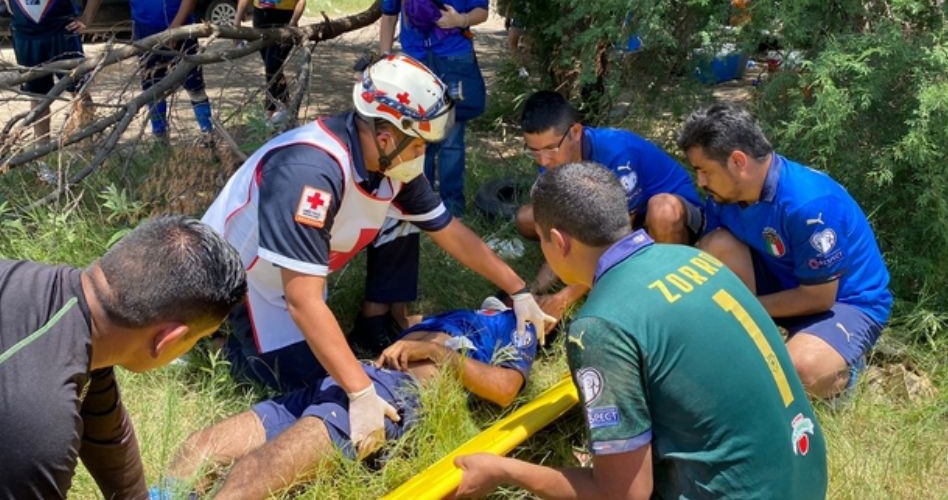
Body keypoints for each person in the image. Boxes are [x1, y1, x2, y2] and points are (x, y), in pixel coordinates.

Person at [201, 54, 555, 458]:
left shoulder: (390, 164)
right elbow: (302, 301)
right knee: (318, 390)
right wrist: (361, 390)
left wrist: (519, 290)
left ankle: (371, 326)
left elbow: (449, 230)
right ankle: (219, 340)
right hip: (241, 288)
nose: (423, 155)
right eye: (419, 144)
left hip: (291, 275)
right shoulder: (309, 173)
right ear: (386, 137)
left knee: (400, 223)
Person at [453, 162, 827, 499]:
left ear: (560, 241)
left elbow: (622, 495)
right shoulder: (694, 258)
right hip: (807, 480)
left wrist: (504, 470)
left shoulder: (598, 327)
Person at [156, 297, 536, 499]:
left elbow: (504, 390)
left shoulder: (514, 323)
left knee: (256, 474)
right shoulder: (456, 314)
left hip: (394, 392)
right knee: (199, 447)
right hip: (349, 378)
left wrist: (439, 354)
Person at [0, 216, 246, 499]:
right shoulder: (36, 426)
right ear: (168, 339)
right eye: (197, 339)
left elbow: (108, 434)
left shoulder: (64, 307)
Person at [677, 103, 892, 399]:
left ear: (738, 161)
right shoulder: (725, 193)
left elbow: (818, 297)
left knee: (801, 370)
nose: (700, 181)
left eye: (704, 170)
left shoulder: (809, 204)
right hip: (779, 282)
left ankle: (846, 371)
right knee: (716, 245)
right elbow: (707, 255)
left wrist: (740, 310)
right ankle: (763, 340)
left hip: (844, 302)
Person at [515, 90, 704, 317]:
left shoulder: (616, 154)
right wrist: (533, 289)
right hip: (626, 217)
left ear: (575, 132)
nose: (544, 161)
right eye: (534, 151)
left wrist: (564, 298)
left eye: (550, 149)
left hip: (673, 217)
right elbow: (558, 223)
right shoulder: (553, 157)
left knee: (662, 211)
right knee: (529, 218)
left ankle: (664, 291)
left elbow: (615, 239)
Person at [378, 0, 489, 216]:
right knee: (419, 134)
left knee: (452, 137)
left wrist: (460, 19)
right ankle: (421, 204)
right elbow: (389, 14)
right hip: (415, 62)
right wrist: (384, 58)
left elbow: (481, 10)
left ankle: (452, 207)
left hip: (454, 59)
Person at [1, 0, 104, 140]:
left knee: (79, 90)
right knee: (37, 96)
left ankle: (89, 146)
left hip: (62, 32)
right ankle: (42, 157)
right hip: (26, 36)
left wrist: (87, 18)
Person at [117, 0, 214, 138]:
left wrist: (174, 30)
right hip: (144, 30)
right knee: (152, 88)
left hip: (181, 30)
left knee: (194, 85)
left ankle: (208, 136)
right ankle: (160, 139)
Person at [233, 0, 307, 123]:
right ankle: (285, 108)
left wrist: (292, 24)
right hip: (261, 20)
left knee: (272, 65)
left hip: (284, 20)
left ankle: (271, 111)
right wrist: (236, 24)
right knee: (272, 67)